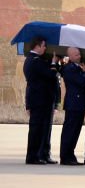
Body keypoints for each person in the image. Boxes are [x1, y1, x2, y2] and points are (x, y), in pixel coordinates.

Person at [24, 37, 60, 165]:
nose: (45, 48)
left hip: (44, 100)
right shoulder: (34, 61)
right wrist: (54, 63)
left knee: (45, 129)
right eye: (44, 46)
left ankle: (44, 154)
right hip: (39, 101)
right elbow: (51, 75)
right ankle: (33, 156)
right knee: (37, 129)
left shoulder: (37, 60)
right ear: (37, 46)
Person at [59, 47, 85, 165]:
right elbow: (81, 82)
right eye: (76, 55)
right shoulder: (69, 69)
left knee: (75, 131)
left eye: (79, 54)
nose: (79, 56)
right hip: (73, 104)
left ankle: (70, 155)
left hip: (79, 104)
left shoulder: (76, 68)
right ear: (69, 57)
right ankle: (65, 156)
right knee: (70, 131)